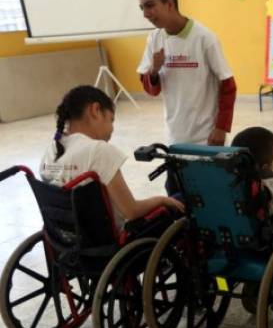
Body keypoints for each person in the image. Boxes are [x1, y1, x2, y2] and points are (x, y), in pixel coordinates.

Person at [40, 86, 184, 228]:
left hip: (68, 237)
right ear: (95, 110)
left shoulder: (51, 150)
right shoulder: (98, 151)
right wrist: (161, 200)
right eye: (111, 120)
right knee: (182, 200)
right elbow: (131, 211)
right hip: (111, 241)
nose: (112, 129)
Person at [135, 0, 237, 148]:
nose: (145, 14)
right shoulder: (154, 39)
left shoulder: (205, 38)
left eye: (150, 5)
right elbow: (151, 91)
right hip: (174, 136)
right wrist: (153, 71)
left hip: (207, 137)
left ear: (169, 4)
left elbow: (228, 86)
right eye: (142, 8)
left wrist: (221, 128)